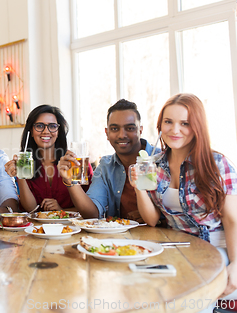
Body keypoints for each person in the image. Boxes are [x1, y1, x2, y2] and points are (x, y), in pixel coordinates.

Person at [130, 93, 237, 299]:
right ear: (160, 124)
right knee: (138, 283)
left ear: (197, 127)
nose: (174, 130)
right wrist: (139, 187)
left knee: (187, 297)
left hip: (216, 249)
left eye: (185, 123)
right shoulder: (154, 163)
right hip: (177, 248)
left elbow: (232, 220)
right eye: (168, 122)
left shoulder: (217, 164)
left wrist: (236, 265)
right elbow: (152, 220)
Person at [58, 99, 158, 220]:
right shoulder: (106, 166)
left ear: (140, 130)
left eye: (130, 128)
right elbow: (91, 214)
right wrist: (70, 182)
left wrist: (156, 216)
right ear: (107, 133)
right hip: (119, 237)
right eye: (115, 129)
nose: (122, 135)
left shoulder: (161, 158)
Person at [4, 105, 92, 212]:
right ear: (31, 131)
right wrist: (20, 175)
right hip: (36, 228)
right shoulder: (26, 163)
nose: (46, 131)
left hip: (73, 227)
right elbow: (30, 209)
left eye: (52, 126)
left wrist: (61, 211)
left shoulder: (75, 162)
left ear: (58, 131)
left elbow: (91, 209)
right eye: (40, 126)